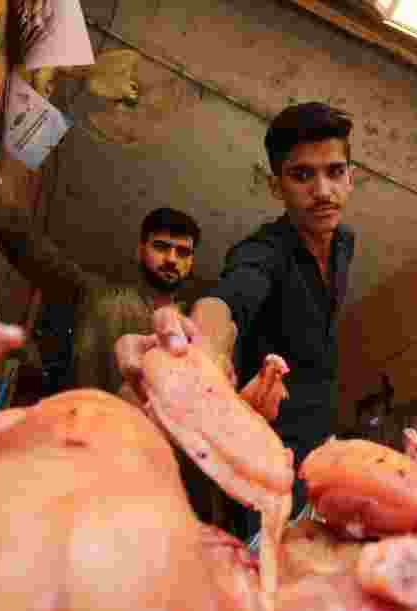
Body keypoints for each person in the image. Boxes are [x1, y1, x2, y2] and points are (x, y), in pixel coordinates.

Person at [0, 70, 231, 528]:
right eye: (162, 247)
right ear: (140, 249)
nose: (171, 259)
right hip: (68, 477)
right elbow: (11, 229)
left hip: (148, 511)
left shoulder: (199, 342)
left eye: (183, 253)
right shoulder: (98, 299)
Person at [118, 102, 356, 538]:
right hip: (265, 453)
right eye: (302, 175)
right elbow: (226, 301)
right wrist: (203, 351)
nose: (323, 191)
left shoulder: (344, 244)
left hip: (320, 437)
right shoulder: (262, 252)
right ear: (275, 186)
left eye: (335, 172)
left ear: (350, 176)